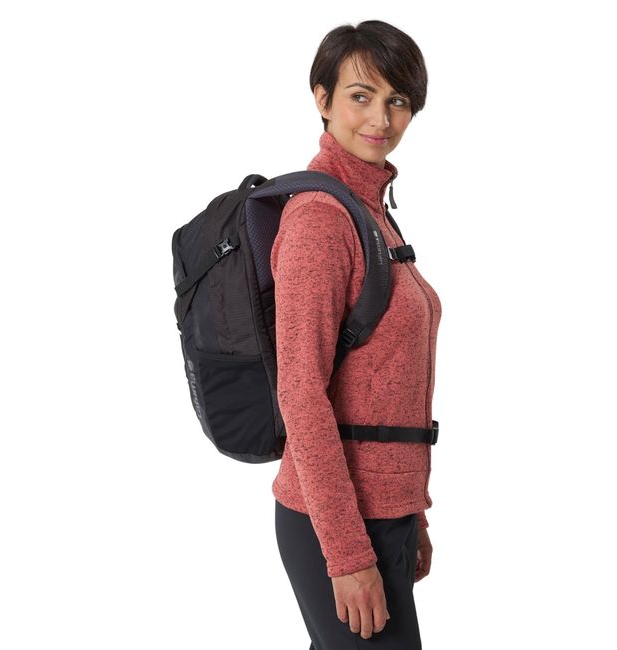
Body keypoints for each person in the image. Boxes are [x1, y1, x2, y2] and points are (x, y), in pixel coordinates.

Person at [271, 20, 442, 649]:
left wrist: (413, 511)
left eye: (398, 100)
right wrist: (346, 553)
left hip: (384, 513)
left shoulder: (370, 212)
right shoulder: (321, 219)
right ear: (322, 98)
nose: (381, 119)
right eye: (360, 96)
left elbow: (385, 382)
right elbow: (301, 393)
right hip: (337, 523)